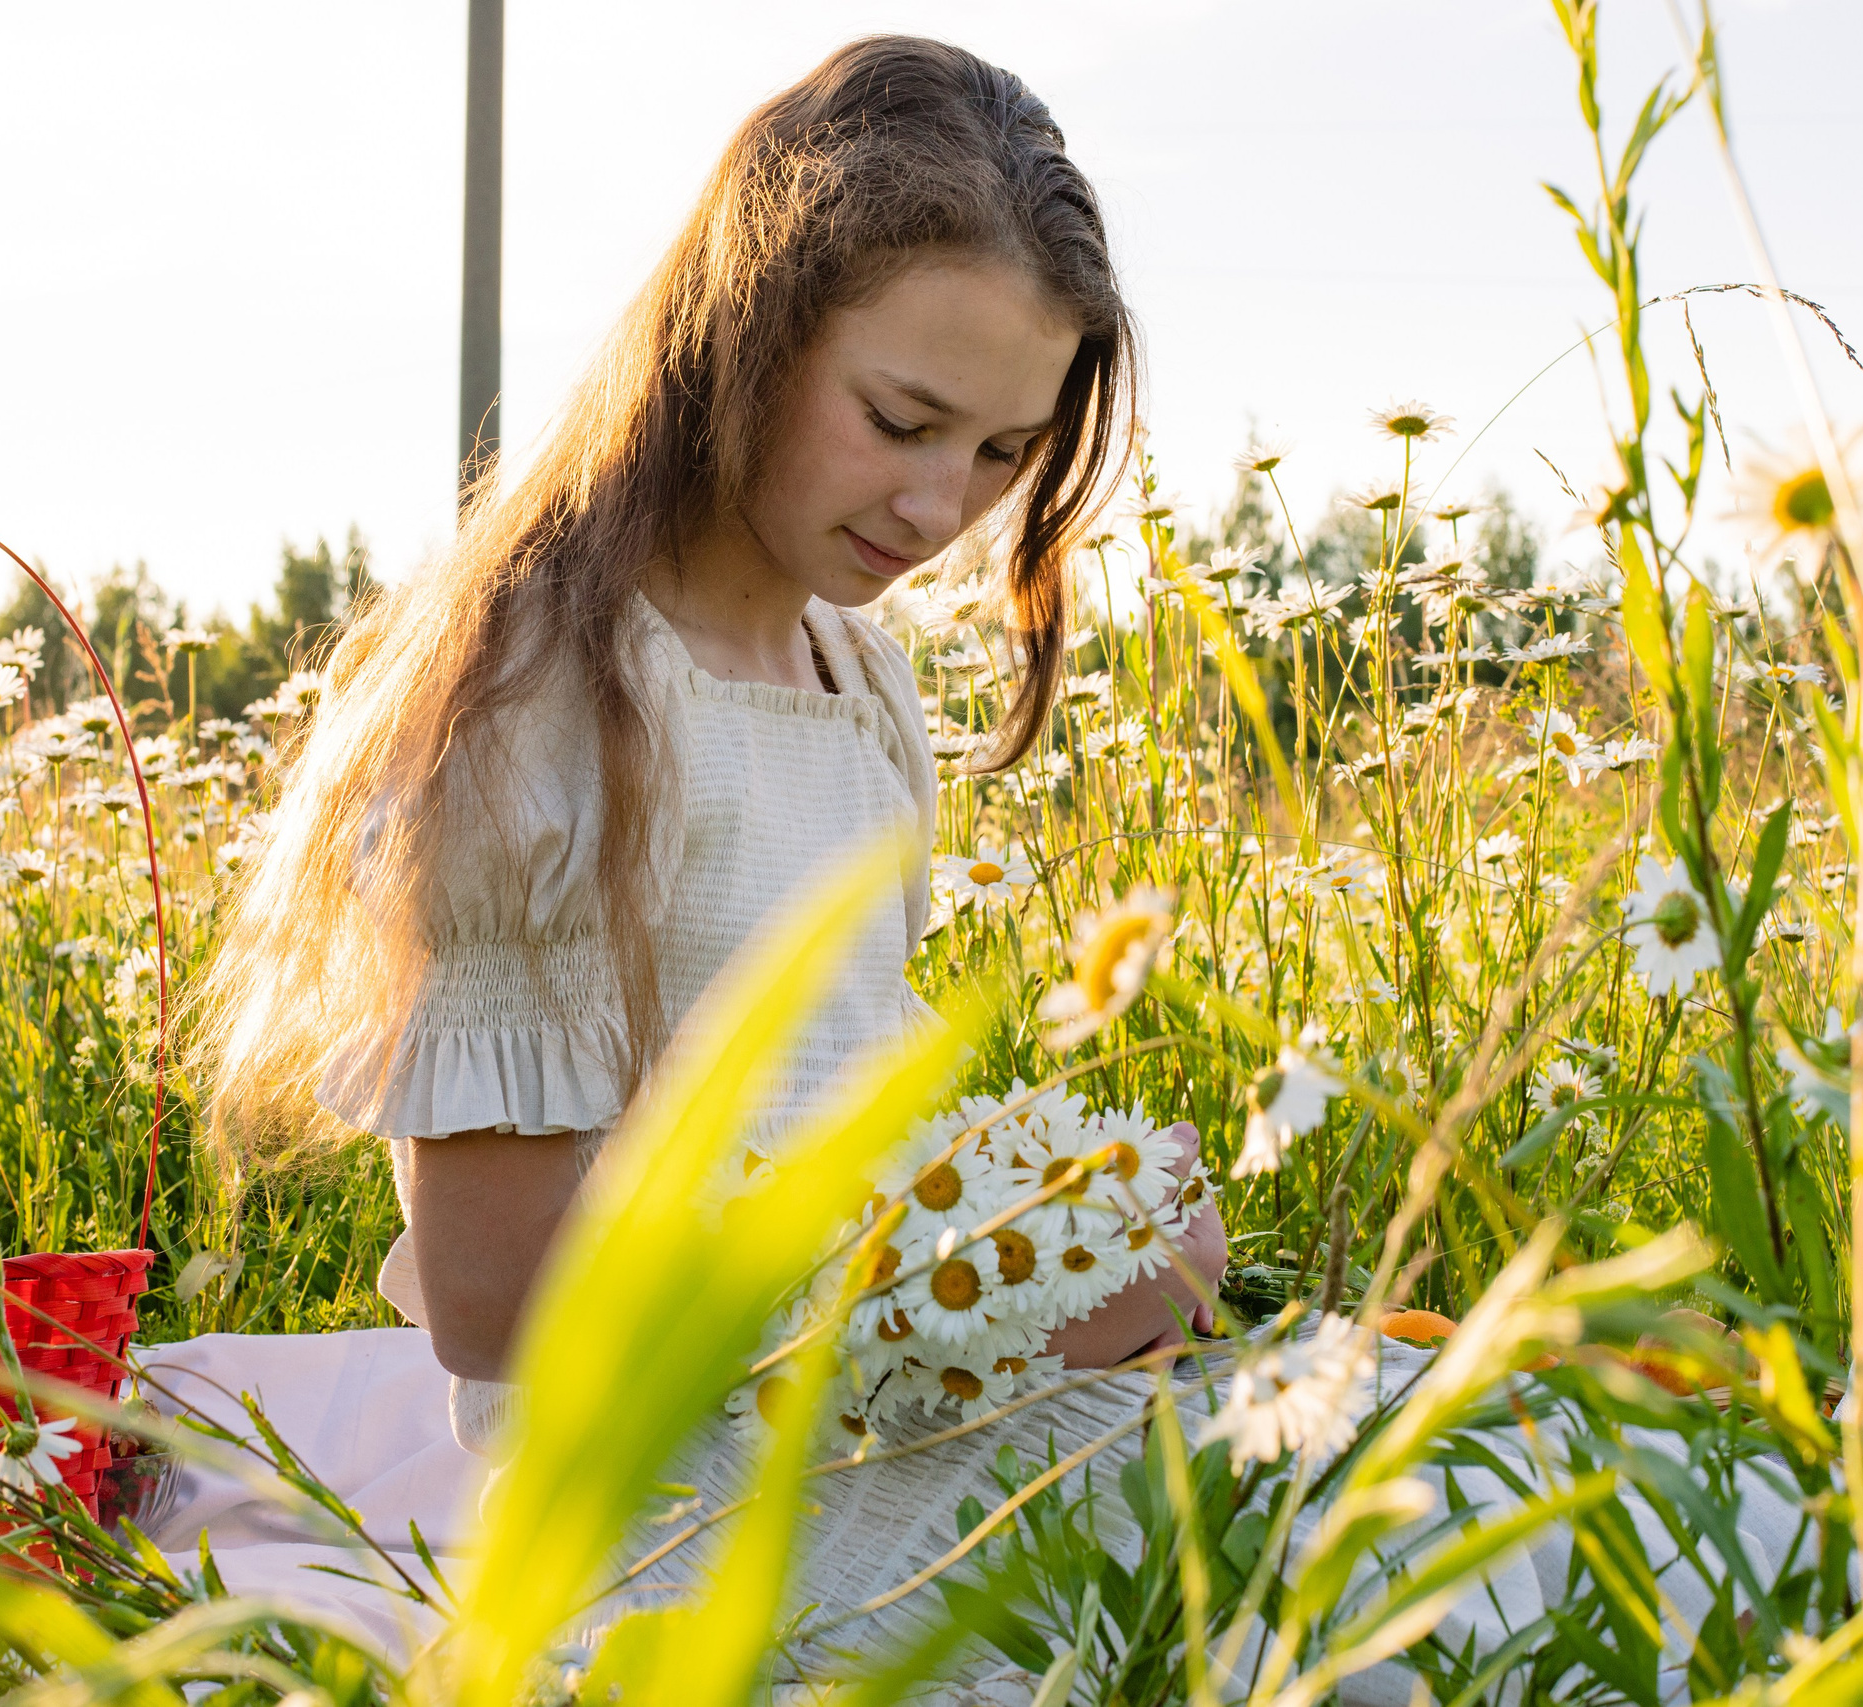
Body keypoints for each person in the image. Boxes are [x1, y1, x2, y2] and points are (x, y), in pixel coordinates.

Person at [195, 34, 1230, 1459]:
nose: (942, 509)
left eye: (1001, 454)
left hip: (874, 1415)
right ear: (750, 325)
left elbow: (843, 1119)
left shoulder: (856, 682)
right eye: (900, 420)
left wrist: (1054, 1227)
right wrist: (995, 1300)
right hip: (662, 1493)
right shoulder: (546, 699)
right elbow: (496, 1303)